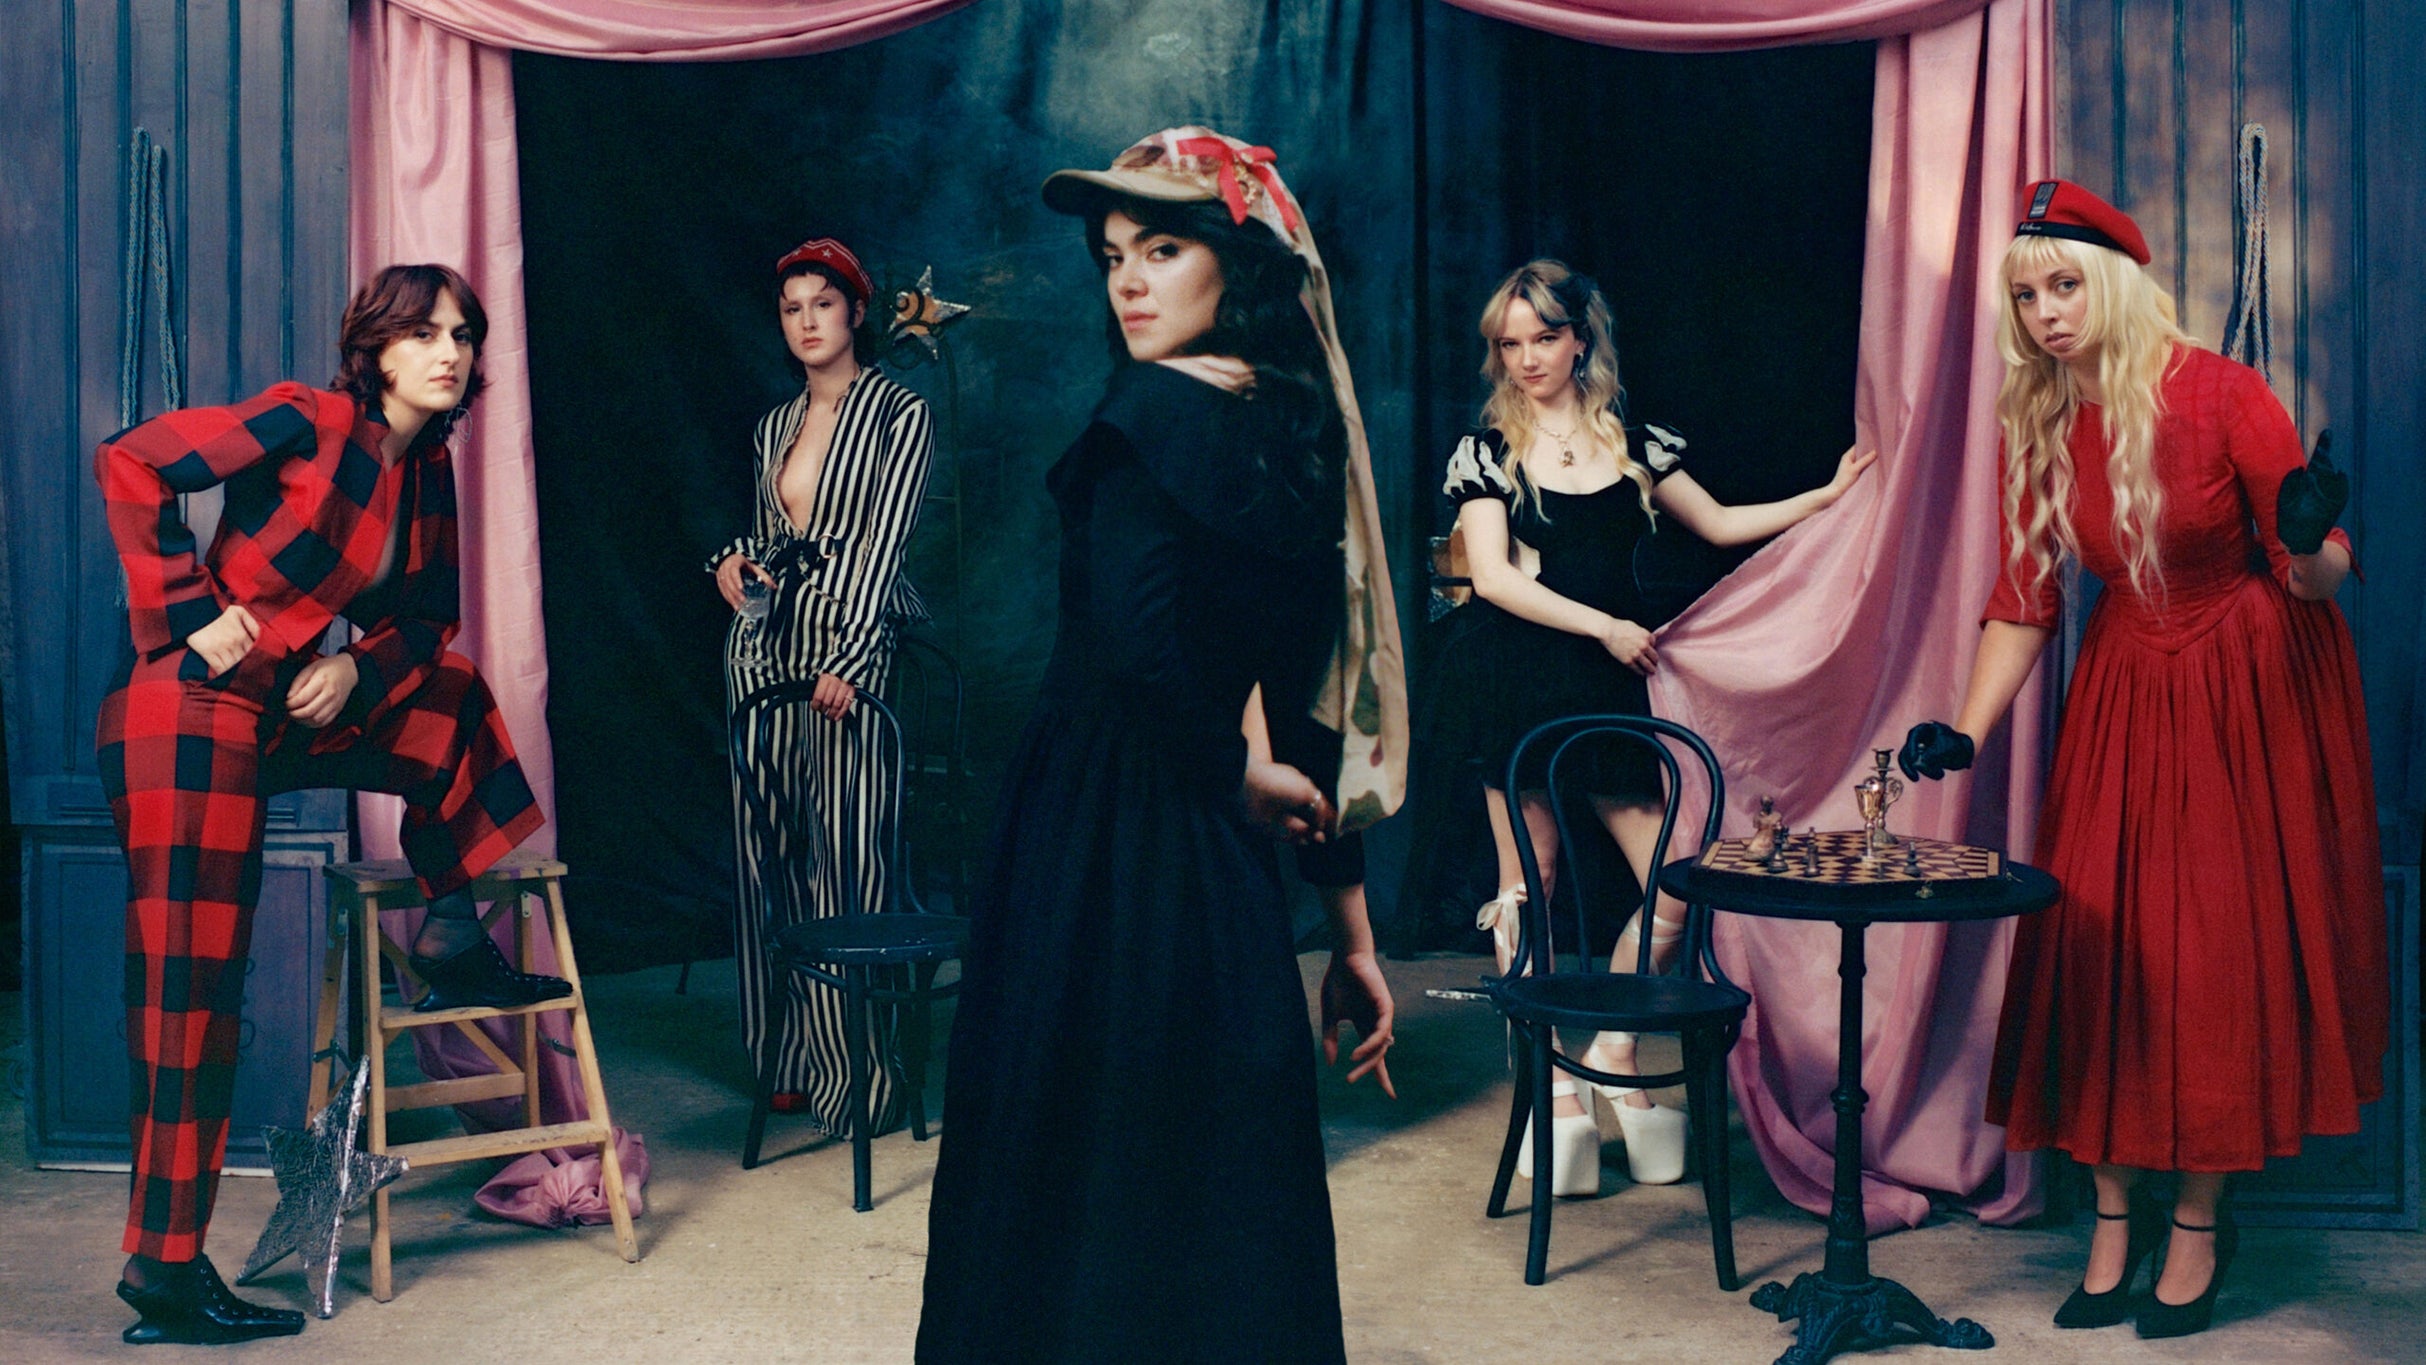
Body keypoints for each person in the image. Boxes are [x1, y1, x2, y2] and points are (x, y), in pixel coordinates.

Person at [916, 128, 1406, 1363]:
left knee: (1078, 1126)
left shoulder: (1143, 416)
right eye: (1111, 256)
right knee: (1209, 1140)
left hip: (1099, 817)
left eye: (1161, 250)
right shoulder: (1300, 436)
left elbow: (1135, 654)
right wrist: (1347, 932)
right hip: (1210, 829)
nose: (1126, 283)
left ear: (1237, 266)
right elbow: (1308, 701)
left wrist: (1237, 773)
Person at [1898, 180, 2387, 1340]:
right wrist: (1964, 728)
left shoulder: (2223, 394)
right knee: (2100, 951)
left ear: (2112, 283)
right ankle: (2111, 1222)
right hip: (2122, 689)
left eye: (2063, 286)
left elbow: (2311, 575)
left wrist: (2309, 539)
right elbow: (2023, 600)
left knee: (2210, 961)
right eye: (2025, 297)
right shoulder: (2036, 418)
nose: (2045, 314)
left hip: (2243, 689)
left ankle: (2199, 1225)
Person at [94, 263, 562, 1344]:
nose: (450, 353)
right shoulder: (309, 419)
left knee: (449, 694)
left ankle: (449, 937)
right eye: (424, 333)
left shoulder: (426, 472)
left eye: (464, 335)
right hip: (189, 708)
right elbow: (133, 458)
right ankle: (164, 1268)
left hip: (285, 711)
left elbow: (428, 621)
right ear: (376, 348)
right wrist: (187, 609)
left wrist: (358, 668)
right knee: (191, 992)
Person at [1432, 260, 1872, 1194]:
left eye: (1544, 337)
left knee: (1681, 873)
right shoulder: (1487, 448)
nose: (1526, 359)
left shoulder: (1633, 441)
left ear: (1580, 338)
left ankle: (1617, 1052)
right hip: (1515, 674)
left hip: (1608, 680)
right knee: (1530, 886)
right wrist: (1604, 625)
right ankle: (1554, 1083)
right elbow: (1494, 578)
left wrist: (1827, 499)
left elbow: (1719, 524)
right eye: (1509, 344)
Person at [710, 236, 935, 1134]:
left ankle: (858, 1072)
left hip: (850, 640)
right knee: (765, 846)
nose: (807, 321)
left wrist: (850, 655)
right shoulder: (774, 424)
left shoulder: (898, 413)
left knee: (847, 851)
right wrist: (734, 563)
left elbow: (883, 547)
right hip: (765, 644)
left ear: (857, 311)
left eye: (823, 304)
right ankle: (784, 1056)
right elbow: (771, 533)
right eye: (792, 308)